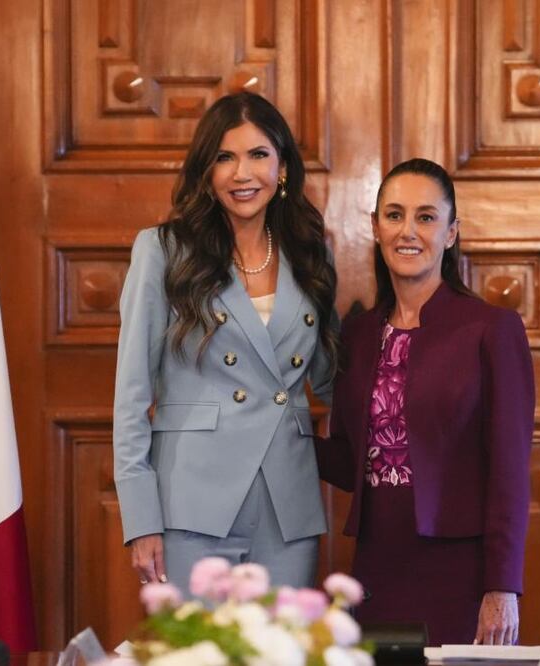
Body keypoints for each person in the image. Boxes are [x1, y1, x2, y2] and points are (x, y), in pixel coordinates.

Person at [113, 92, 338, 594]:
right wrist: (141, 517)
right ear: (206, 172)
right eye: (225, 157)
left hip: (287, 506)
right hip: (193, 501)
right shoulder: (164, 250)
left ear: (281, 168)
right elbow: (131, 393)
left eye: (258, 155)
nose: (243, 173)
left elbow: (330, 375)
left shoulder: (310, 255)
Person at [315, 158, 534, 646]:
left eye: (426, 217)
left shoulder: (491, 330)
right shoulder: (356, 335)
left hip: (460, 572)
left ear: (452, 232)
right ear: (375, 228)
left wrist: (502, 587)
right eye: (394, 215)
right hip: (376, 566)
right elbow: (355, 458)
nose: (407, 231)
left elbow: (509, 471)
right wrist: (274, 432)